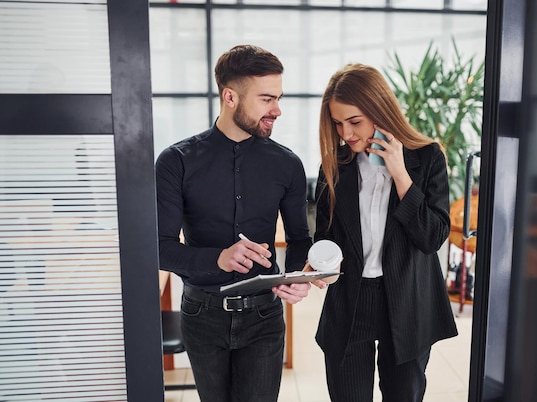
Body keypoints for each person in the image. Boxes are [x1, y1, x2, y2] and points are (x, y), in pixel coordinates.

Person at [155, 44, 313, 402]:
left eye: (279, 98)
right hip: (201, 314)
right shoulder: (175, 162)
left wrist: (296, 275)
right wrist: (219, 258)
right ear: (230, 96)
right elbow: (158, 247)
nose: (278, 110)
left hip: (264, 316)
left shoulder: (288, 164)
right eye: (267, 99)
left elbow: (300, 237)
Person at [312, 63, 458, 401]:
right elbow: (326, 236)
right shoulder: (335, 165)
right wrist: (319, 263)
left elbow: (432, 237)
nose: (345, 133)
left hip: (407, 301)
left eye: (354, 122)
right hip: (350, 299)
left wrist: (400, 173)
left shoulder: (427, 158)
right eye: (337, 123)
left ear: (380, 111)